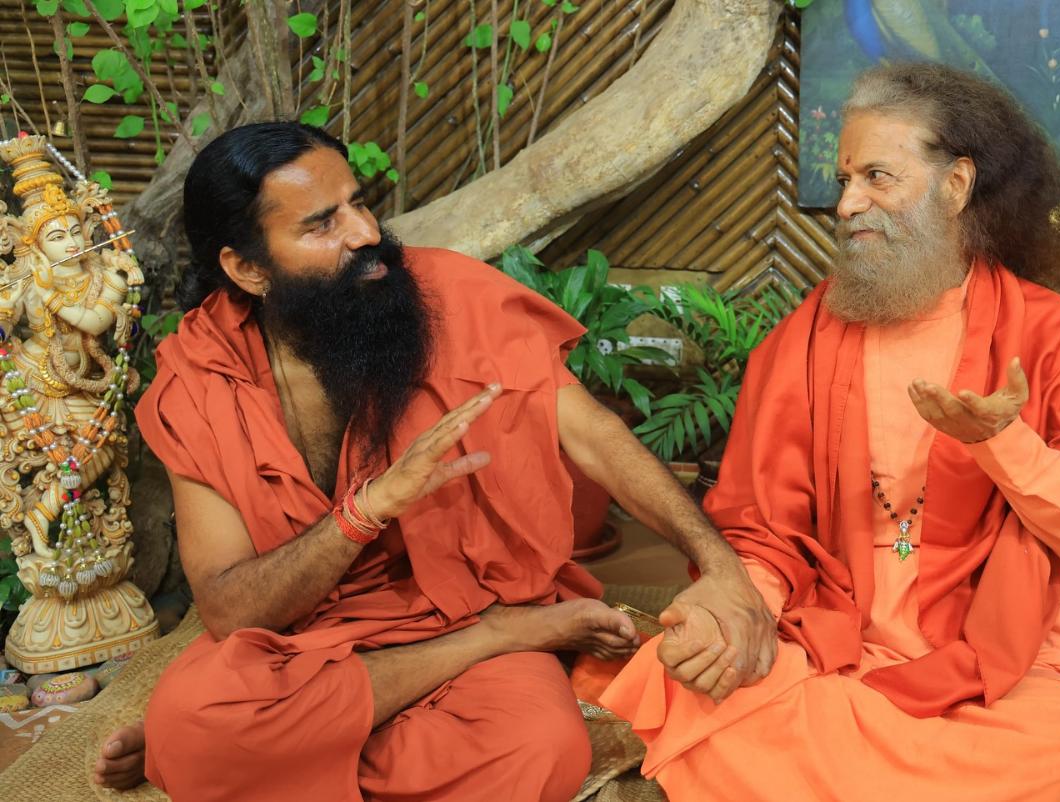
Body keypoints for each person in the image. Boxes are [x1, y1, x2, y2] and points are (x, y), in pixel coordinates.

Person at [90, 122, 775, 801]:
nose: (364, 233)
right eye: (322, 224)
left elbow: (596, 435)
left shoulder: (450, 297)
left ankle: (282, 744)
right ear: (249, 270)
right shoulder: (200, 378)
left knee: (541, 748)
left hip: (460, 606)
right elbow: (233, 612)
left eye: (359, 203)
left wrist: (720, 565)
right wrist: (367, 510)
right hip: (312, 639)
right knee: (198, 725)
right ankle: (465, 656)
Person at [600, 62, 1060, 802]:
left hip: (1003, 661)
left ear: (956, 185)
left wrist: (1001, 443)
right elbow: (766, 534)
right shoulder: (805, 338)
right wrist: (735, 613)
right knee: (682, 687)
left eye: (877, 177)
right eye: (845, 179)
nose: (847, 204)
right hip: (829, 637)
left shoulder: (1049, 332)